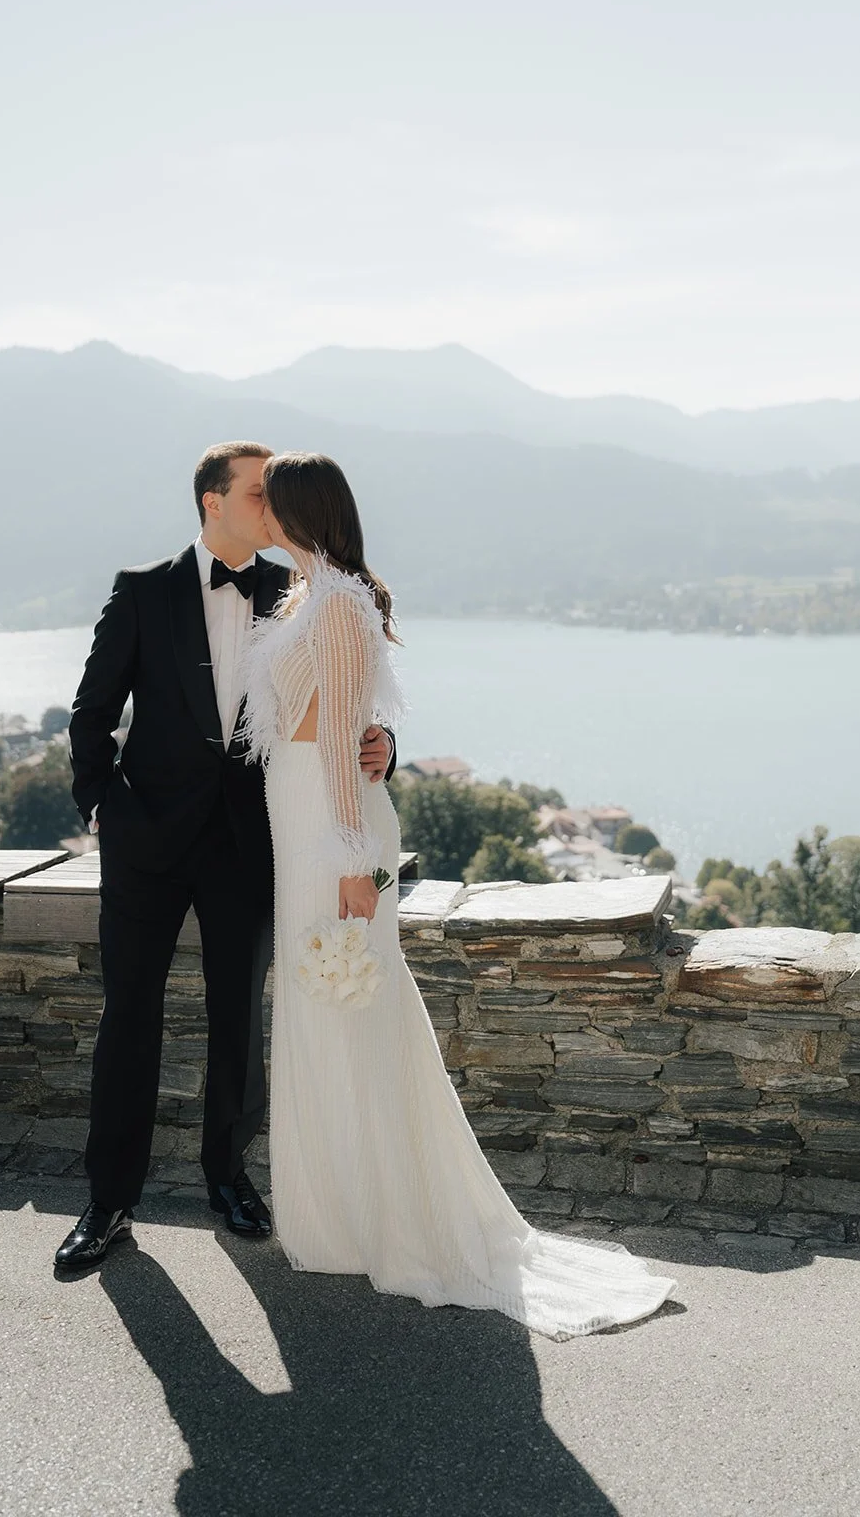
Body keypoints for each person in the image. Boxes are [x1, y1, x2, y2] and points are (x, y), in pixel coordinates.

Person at [239, 451, 678, 1338]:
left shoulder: (337, 606)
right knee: (324, 1013)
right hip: (305, 823)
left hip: (333, 830)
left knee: (350, 1008)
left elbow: (335, 745)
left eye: (265, 501)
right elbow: (337, 730)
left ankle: (383, 1219)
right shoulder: (308, 596)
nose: (256, 513)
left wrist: (357, 862)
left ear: (292, 513)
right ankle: (343, 1214)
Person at [54, 442, 395, 1271]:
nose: (270, 507)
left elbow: (340, 708)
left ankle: (228, 1178)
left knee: (239, 1019)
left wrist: (384, 745)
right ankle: (108, 1202)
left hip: (253, 841)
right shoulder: (142, 591)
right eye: (255, 493)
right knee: (128, 1015)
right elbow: (92, 711)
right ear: (213, 502)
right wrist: (103, 807)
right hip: (147, 843)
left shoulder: (301, 592)